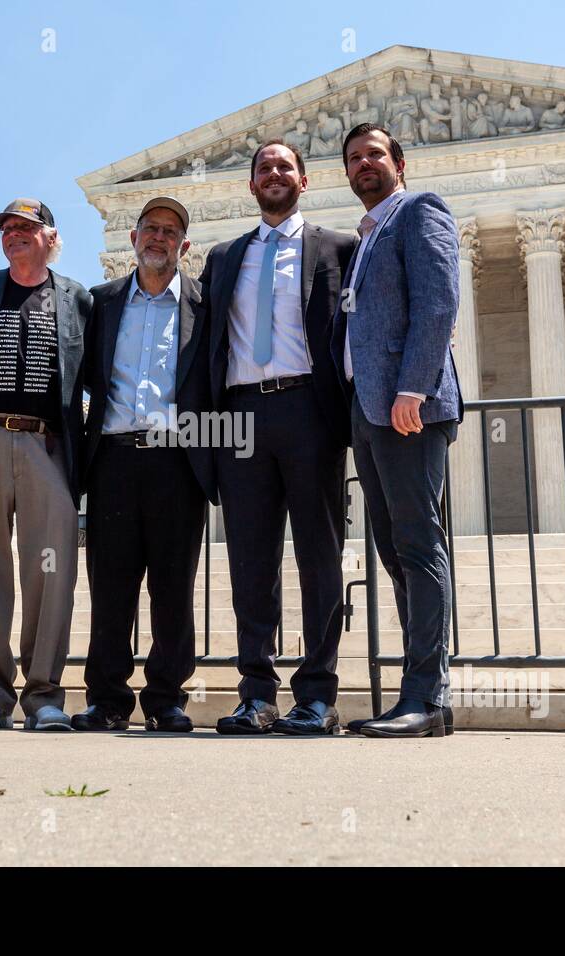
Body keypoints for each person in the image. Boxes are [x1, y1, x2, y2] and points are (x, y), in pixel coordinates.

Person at [199, 140, 356, 736]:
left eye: (284, 167)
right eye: (264, 168)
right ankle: (256, 694)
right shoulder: (223, 258)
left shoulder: (337, 247)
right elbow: (207, 344)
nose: (273, 175)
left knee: (320, 557)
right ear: (251, 184)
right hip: (239, 417)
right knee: (250, 562)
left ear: (304, 181)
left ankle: (317, 695)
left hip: (308, 411)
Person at [332, 123, 462, 738]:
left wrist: (416, 385)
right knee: (392, 548)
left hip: (409, 405)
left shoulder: (418, 211)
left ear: (399, 163)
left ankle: (426, 695)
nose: (363, 165)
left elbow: (438, 302)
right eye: (354, 158)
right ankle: (420, 693)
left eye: (374, 155)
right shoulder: (366, 235)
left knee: (416, 543)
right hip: (372, 409)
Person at [74, 197, 216, 734]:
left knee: (173, 586)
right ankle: (107, 698)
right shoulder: (102, 302)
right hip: (112, 459)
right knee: (110, 585)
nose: (159, 238)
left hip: (177, 462)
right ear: (133, 239)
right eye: (151, 229)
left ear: (184, 246)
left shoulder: (204, 304)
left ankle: (166, 699)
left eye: (171, 231)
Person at [0, 199, 92, 731]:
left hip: (49, 446)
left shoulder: (78, 298)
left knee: (51, 573)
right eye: (6, 228)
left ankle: (44, 695)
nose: (14, 235)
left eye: (25, 228)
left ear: (51, 237)